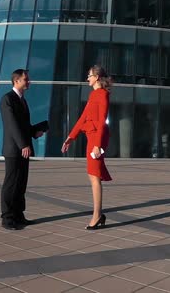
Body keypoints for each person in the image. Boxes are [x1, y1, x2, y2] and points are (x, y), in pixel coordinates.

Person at [61, 65, 113, 230]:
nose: (87, 78)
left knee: (94, 176)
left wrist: (97, 145)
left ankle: (97, 215)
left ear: (97, 77)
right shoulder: (93, 94)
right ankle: (99, 214)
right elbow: (83, 117)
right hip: (91, 138)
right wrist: (71, 137)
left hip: (97, 139)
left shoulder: (103, 95)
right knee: (92, 175)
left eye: (89, 76)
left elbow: (101, 122)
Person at [0, 69, 45, 230]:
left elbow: (23, 126)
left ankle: (18, 215)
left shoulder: (22, 100)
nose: (28, 82)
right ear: (16, 81)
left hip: (23, 148)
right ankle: (7, 218)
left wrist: (35, 132)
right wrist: (23, 145)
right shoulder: (7, 99)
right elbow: (12, 125)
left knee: (21, 184)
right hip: (14, 150)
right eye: (26, 79)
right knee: (11, 183)